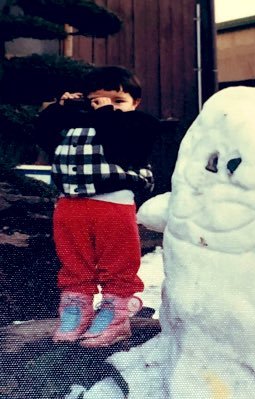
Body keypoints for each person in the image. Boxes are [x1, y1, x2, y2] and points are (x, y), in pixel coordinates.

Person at [35, 66, 160, 347]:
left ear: (135, 103)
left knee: (118, 261)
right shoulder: (75, 126)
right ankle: (76, 309)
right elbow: (43, 136)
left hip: (113, 204)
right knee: (74, 261)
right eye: (98, 100)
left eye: (118, 101)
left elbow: (121, 145)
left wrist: (104, 112)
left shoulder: (138, 124)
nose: (109, 106)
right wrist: (60, 109)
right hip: (70, 205)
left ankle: (115, 315)